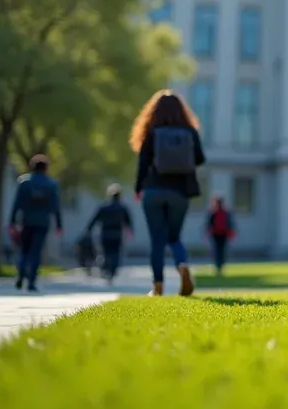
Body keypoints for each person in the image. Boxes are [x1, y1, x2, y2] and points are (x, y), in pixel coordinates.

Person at [130, 89, 206, 297]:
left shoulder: (152, 132)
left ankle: (158, 286)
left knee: (157, 239)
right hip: (180, 192)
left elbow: (143, 164)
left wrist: (138, 188)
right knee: (174, 237)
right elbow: (200, 159)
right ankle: (182, 265)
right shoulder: (190, 132)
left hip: (154, 190)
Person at [9, 155, 62, 292]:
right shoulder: (51, 185)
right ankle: (32, 281)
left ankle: (21, 273)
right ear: (46, 169)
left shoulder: (24, 183)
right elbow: (56, 206)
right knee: (36, 251)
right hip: (43, 223)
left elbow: (17, 203)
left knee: (24, 250)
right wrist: (59, 224)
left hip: (26, 221)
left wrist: (12, 221)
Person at [86, 184, 134, 284]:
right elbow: (128, 223)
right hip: (117, 233)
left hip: (105, 233)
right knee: (116, 253)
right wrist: (130, 232)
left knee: (106, 253)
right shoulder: (123, 208)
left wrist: (88, 230)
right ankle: (112, 271)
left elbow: (94, 220)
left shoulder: (104, 207)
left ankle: (106, 270)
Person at [204, 195, 235, 276]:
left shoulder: (214, 212)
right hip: (224, 234)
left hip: (216, 234)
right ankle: (221, 266)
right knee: (222, 251)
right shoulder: (226, 212)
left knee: (217, 250)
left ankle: (218, 267)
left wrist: (208, 232)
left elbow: (210, 223)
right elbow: (230, 223)